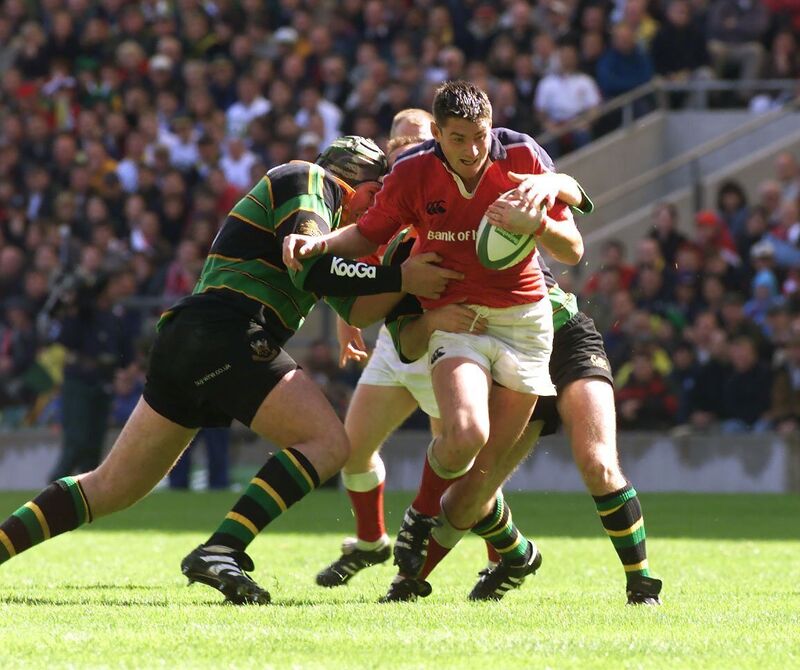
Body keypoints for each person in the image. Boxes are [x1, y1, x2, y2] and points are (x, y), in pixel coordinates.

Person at [0, 136, 459, 605]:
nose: (376, 214)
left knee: (113, 486)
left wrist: (410, 281)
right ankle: (222, 549)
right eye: (376, 196)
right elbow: (308, 266)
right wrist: (401, 277)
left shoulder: (333, 232)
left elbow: (357, 307)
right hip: (228, 328)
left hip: (192, 337)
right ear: (355, 181)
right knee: (327, 443)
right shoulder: (309, 178)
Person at [310, 90, 662, 606]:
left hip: (554, 331)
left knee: (597, 462)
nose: (471, 150)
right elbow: (389, 315)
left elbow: (571, 238)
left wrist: (549, 198)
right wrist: (341, 272)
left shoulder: (516, 157)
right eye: (398, 148)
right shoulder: (406, 239)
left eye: (479, 137)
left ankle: (640, 583)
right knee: (470, 481)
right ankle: (416, 576)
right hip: (474, 331)